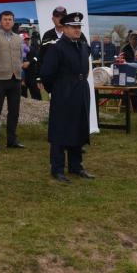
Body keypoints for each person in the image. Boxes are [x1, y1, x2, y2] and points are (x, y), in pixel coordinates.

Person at [40, 12, 95, 183]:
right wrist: (57, 90)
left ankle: (76, 165)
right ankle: (57, 169)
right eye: (73, 27)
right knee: (60, 129)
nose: (77, 30)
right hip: (63, 93)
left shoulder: (83, 46)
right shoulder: (56, 48)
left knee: (78, 127)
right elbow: (47, 74)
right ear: (64, 28)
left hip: (81, 91)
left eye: (79, 27)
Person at [0, 10, 26, 150]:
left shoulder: (19, 39)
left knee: (14, 111)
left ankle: (12, 140)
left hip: (15, 79)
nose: (7, 22)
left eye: (10, 19)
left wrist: (20, 74)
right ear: (0, 21)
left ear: (13, 22)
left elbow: (20, 58)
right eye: (5, 19)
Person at [22, 33, 42, 100]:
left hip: (32, 76)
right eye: (25, 39)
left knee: (37, 97)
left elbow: (37, 57)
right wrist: (21, 64)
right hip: (22, 77)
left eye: (28, 39)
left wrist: (29, 62)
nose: (26, 41)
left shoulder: (33, 49)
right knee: (22, 98)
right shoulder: (17, 50)